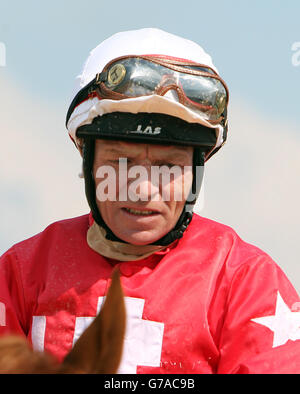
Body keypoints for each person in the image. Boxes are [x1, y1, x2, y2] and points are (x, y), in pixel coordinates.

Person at [0, 28, 299, 374]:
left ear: (196, 171)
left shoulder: (246, 283)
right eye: (120, 162)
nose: (142, 189)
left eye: (167, 166)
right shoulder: (19, 274)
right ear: (87, 161)